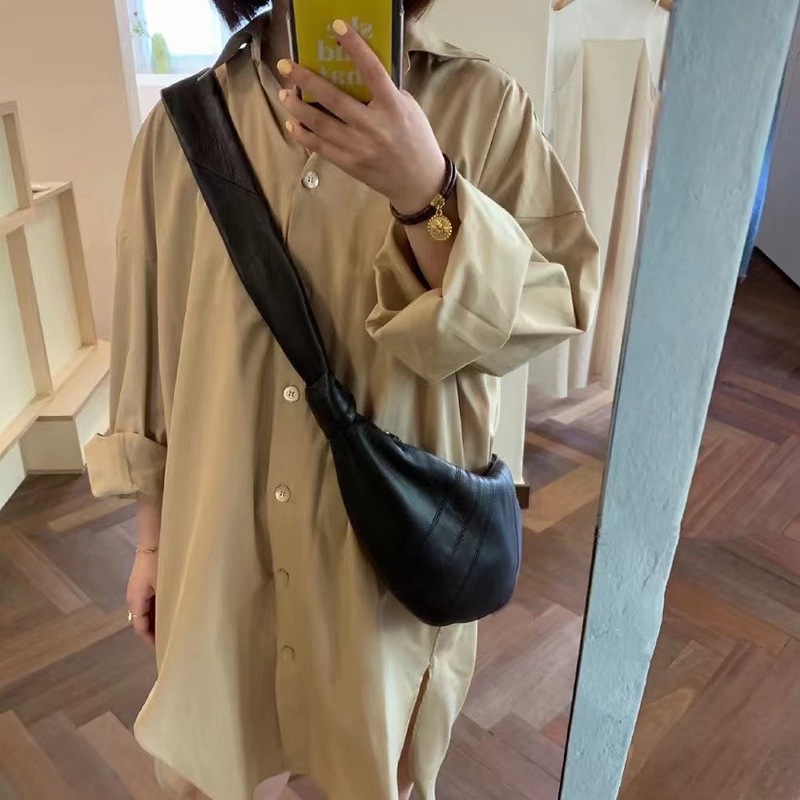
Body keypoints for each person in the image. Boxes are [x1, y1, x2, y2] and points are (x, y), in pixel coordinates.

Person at [84, 1, 600, 799]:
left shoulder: (482, 108)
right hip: (222, 540)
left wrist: (429, 196)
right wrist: (152, 544)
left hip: (388, 552)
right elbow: (154, 348)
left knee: (379, 757)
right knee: (219, 745)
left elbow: (549, 307)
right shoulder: (183, 130)